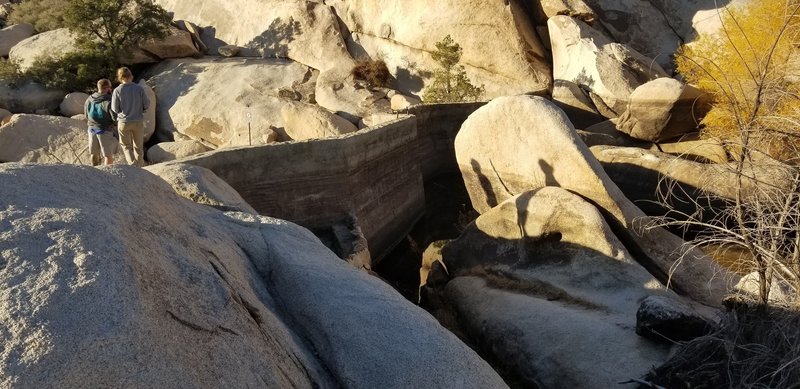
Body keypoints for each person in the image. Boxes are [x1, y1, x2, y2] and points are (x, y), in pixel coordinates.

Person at [111, 67, 150, 166]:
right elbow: (146, 104)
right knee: (138, 146)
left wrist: (122, 111)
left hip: (124, 121)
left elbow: (114, 109)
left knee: (126, 146)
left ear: (120, 77)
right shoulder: (139, 88)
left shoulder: (117, 90)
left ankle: (132, 164)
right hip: (138, 120)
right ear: (131, 76)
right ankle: (140, 165)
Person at [85, 79, 117, 166]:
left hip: (91, 129)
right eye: (110, 87)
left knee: (94, 153)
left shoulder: (89, 99)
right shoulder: (109, 101)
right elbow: (114, 117)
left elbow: (86, 115)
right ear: (106, 88)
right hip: (104, 130)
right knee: (108, 156)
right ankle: (106, 175)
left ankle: (95, 170)